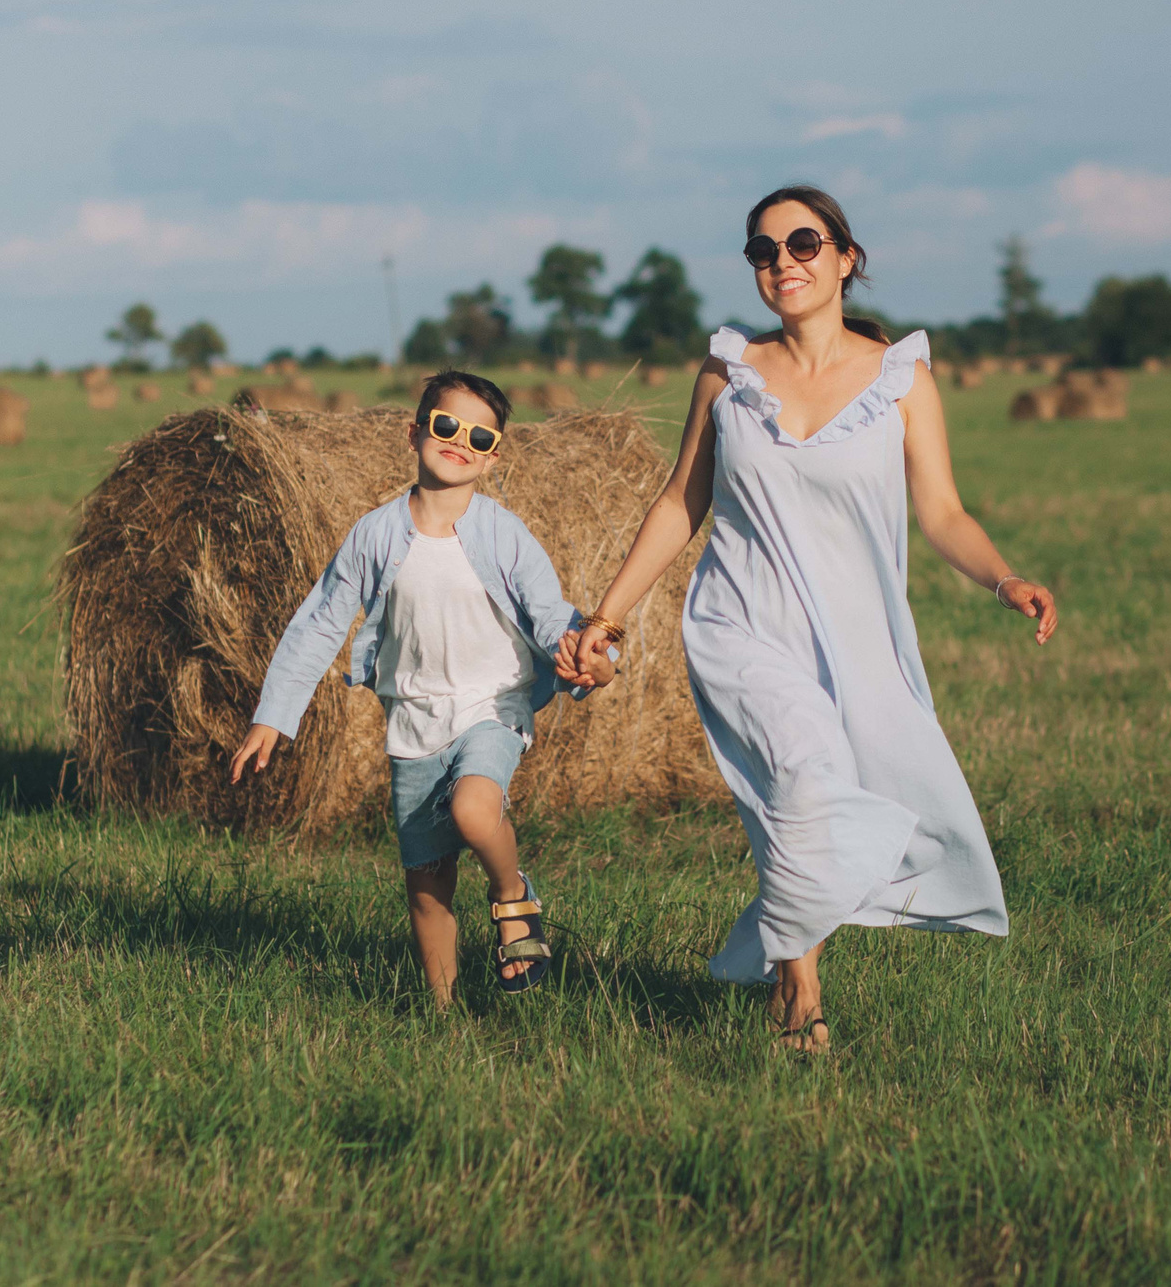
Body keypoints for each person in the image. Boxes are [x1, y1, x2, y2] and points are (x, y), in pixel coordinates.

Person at [555, 186, 1056, 1053]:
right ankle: (800, 991)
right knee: (807, 773)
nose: (782, 261)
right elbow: (683, 499)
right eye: (762, 250)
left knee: (814, 801)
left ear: (845, 256)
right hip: (740, 623)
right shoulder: (729, 371)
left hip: (855, 637)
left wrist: (1004, 578)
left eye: (802, 243)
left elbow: (941, 512)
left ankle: (781, 960)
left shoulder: (902, 378)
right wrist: (606, 613)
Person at [230, 370, 613, 1007]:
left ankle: (511, 894)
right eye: (445, 426)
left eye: (479, 436)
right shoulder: (376, 534)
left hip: (493, 704)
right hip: (412, 719)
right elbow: (322, 619)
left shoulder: (502, 533)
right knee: (428, 884)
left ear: (493, 456)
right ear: (414, 433)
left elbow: (549, 613)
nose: (459, 441)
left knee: (473, 809)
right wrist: (274, 715)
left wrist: (587, 655)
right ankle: (441, 1010)